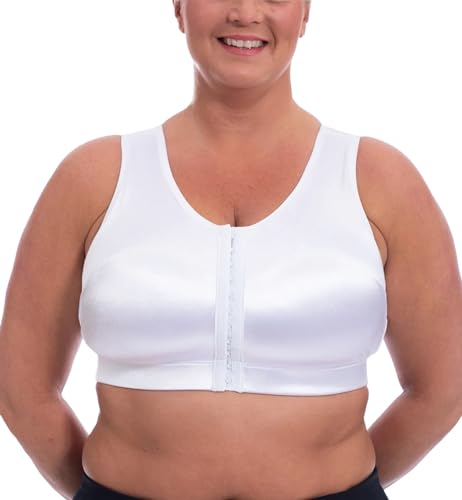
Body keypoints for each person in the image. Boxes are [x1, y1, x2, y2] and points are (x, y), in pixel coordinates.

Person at [0, 0, 461, 498]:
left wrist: (352, 486)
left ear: (305, 12)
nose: (244, 12)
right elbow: (21, 387)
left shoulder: (382, 182)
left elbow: (444, 386)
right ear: (179, 7)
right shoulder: (93, 179)